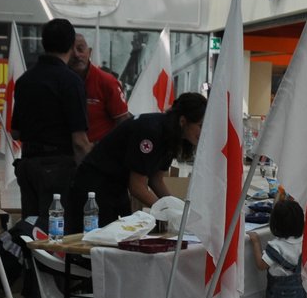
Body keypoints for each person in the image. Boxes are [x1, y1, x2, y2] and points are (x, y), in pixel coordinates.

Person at [67, 93, 205, 231]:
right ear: (183, 121)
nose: (203, 131)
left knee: (123, 237)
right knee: (102, 241)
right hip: (94, 187)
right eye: (200, 125)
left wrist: (177, 209)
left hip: (117, 188)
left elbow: (156, 180)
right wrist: (166, 212)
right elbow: (137, 187)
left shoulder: (171, 136)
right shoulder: (151, 131)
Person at [10, 17, 88, 220]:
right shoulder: (71, 82)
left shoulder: (24, 81)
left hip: (27, 166)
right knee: (56, 235)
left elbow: (16, 132)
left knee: (31, 229)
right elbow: (79, 141)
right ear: (71, 45)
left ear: (44, 44)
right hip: (57, 170)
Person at [70, 33, 128, 142]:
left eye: (80, 49)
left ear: (90, 52)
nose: (76, 55)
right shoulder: (60, 81)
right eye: (71, 51)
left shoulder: (107, 82)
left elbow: (124, 122)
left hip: (99, 153)